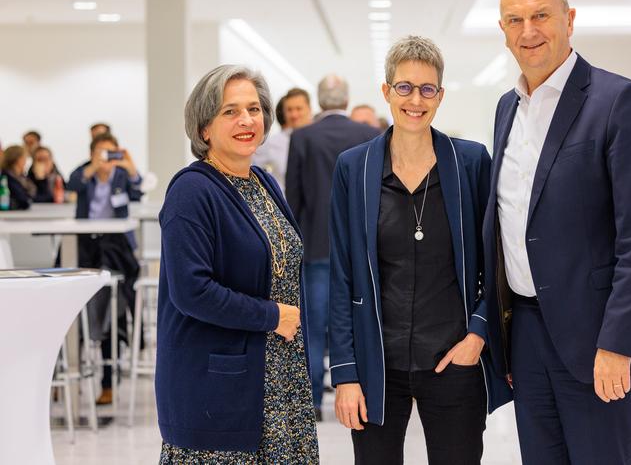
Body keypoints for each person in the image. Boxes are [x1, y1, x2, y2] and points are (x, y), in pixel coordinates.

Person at [482, 0, 631, 465]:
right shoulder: (507, 108)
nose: (529, 30)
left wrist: (618, 343)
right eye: (515, 20)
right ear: (502, 31)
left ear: (568, 20)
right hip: (525, 334)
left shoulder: (619, 101)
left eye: (541, 15)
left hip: (597, 338)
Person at [329, 35, 511, 464]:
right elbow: (342, 275)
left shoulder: (470, 163)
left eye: (427, 89)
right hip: (378, 362)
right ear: (386, 91)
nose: (416, 99)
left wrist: (477, 335)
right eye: (404, 87)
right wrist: (346, 374)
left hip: (452, 359)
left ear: (441, 95)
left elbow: (497, 261)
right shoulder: (353, 168)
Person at [156, 65, 318, 463]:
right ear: (204, 128)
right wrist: (271, 316)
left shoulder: (262, 181)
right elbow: (192, 291)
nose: (246, 120)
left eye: (254, 108)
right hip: (220, 390)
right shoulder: (192, 192)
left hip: (279, 380)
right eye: (230, 111)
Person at [285, 74, 380, 419]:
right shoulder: (368, 134)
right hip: (361, 246)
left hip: (316, 244)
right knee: (360, 319)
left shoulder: (302, 137)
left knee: (312, 325)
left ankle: (312, 401)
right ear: (346, 98)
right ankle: (364, 387)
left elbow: (293, 198)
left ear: (319, 100)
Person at [67, 132, 143, 404]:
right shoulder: (83, 173)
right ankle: (70, 375)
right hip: (85, 247)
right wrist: (92, 168)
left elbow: (139, 191)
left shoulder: (122, 175)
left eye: (111, 153)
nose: (106, 159)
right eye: (101, 153)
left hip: (114, 249)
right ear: (91, 154)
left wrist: (129, 165)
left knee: (114, 310)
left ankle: (108, 381)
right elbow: (71, 184)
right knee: (73, 309)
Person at [252, 87, 313, 192]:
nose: (294, 115)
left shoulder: (320, 140)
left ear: (309, 109)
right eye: (289, 110)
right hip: (284, 204)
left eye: (298, 109)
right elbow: (252, 168)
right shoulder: (272, 143)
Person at [0, 145, 35, 210]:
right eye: (24, 158)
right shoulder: (6, 177)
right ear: (18, 159)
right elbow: (23, 200)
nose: (25, 162)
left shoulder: (22, 177)